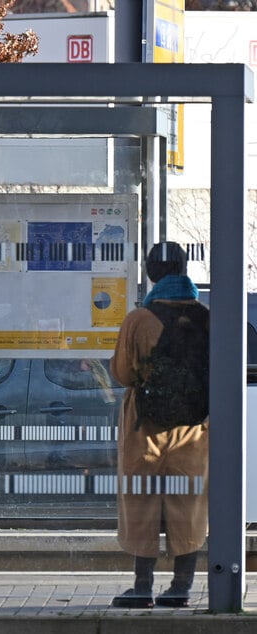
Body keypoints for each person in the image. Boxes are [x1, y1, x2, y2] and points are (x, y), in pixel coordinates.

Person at [109, 241, 209, 609]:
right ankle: (181, 587)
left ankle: (142, 588)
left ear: (151, 273)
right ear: (184, 268)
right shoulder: (205, 315)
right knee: (188, 504)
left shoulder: (140, 319)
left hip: (144, 428)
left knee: (141, 502)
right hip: (194, 429)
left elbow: (122, 373)